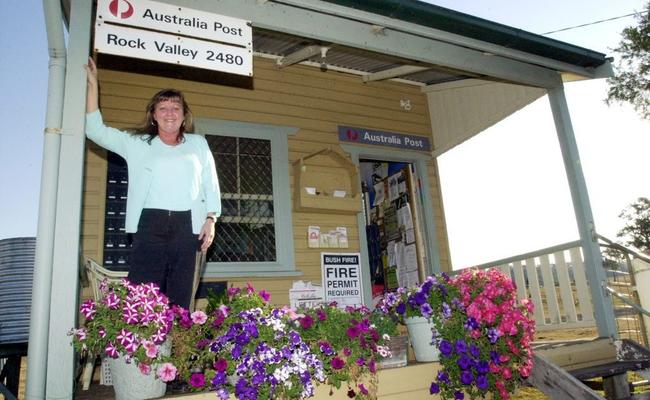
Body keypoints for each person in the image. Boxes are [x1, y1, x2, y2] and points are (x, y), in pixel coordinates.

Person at [84, 58, 221, 309]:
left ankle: (177, 346)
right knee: (144, 299)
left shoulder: (198, 144)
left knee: (181, 298)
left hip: (189, 226)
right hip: (149, 224)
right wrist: (93, 84)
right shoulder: (137, 144)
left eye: (175, 108)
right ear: (154, 116)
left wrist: (211, 219)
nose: (170, 113)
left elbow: (210, 183)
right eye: (163, 108)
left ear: (184, 115)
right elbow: (95, 131)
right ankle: (142, 347)